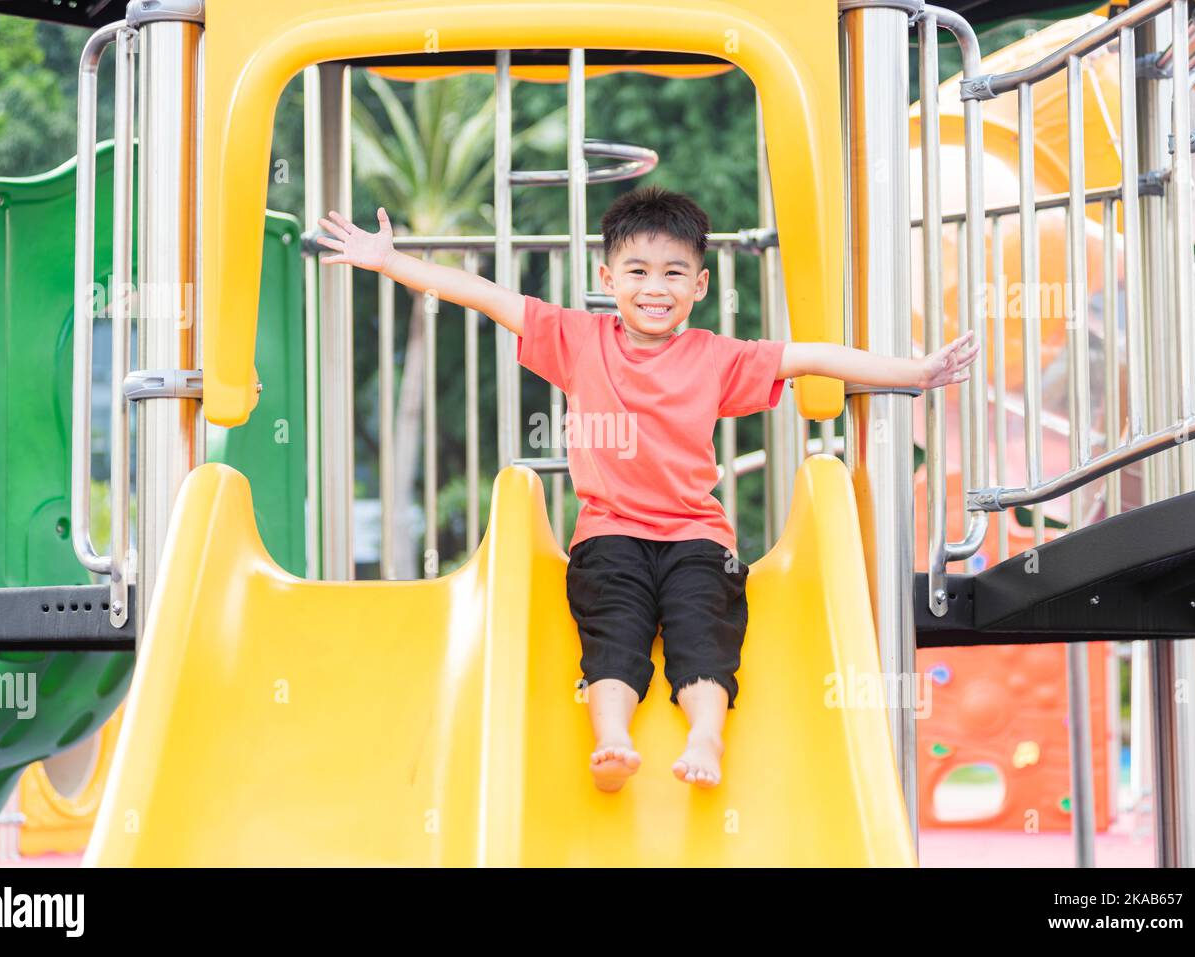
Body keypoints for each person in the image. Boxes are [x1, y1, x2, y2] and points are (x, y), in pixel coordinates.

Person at [316, 186, 977, 793]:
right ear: (608, 279)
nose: (654, 288)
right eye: (637, 271)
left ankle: (705, 736)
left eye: (673, 274)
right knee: (612, 632)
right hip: (608, 532)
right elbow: (483, 294)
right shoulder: (575, 339)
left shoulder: (716, 357)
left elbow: (810, 356)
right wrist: (390, 261)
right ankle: (611, 739)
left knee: (704, 632)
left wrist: (914, 372)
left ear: (700, 284)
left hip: (697, 534)